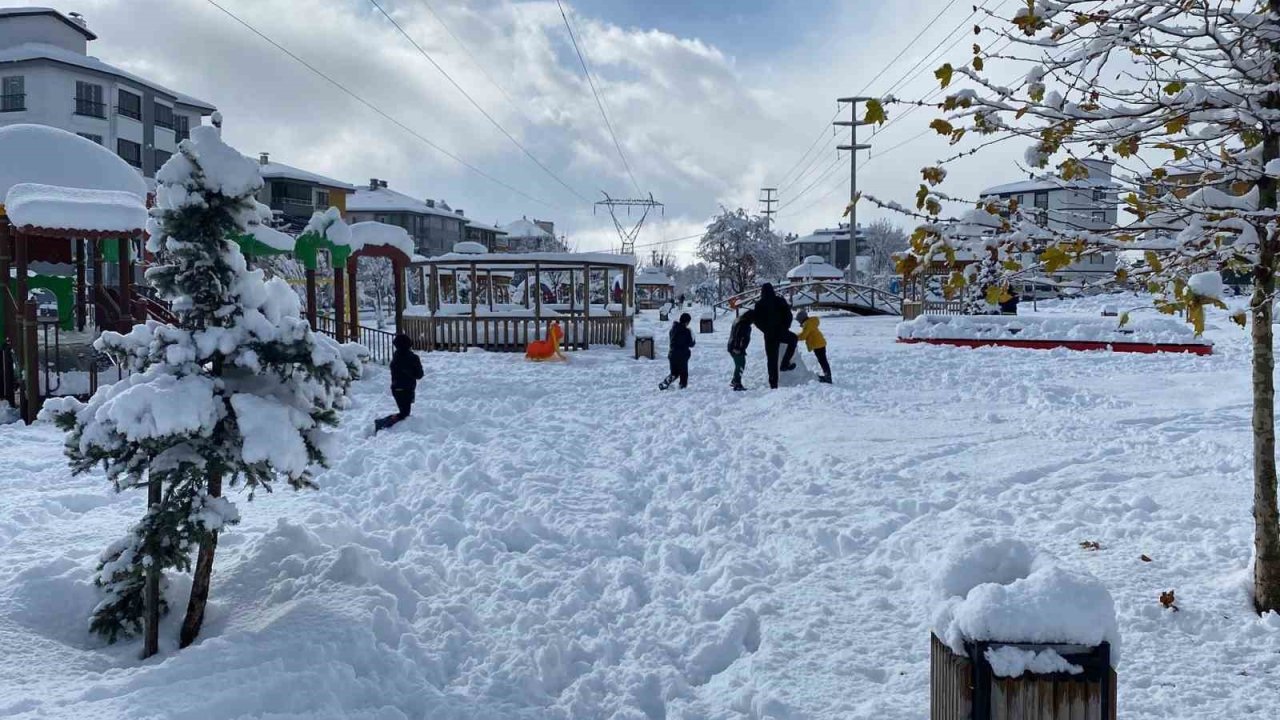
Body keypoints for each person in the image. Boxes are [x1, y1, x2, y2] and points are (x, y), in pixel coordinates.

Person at [751, 283, 798, 389]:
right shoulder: (780, 301)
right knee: (793, 339)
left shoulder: (759, 304)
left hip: (769, 335)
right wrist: (785, 327)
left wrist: (766, 330)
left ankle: (773, 384)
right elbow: (788, 315)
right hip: (781, 332)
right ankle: (785, 363)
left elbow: (757, 320)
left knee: (771, 359)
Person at [375, 334, 423, 432]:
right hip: (408, 388)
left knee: (404, 412)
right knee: (404, 413)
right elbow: (419, 375)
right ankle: (381, 424)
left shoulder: (395, 357)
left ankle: (383, 423)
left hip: (396, 388)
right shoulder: (413, 358)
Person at [659, 312, 695, 390]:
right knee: (683, 373)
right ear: (687, 321)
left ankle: (666, 382)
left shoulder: (673, 329)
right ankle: (682, 387)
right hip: (682, 355)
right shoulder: (686, 331)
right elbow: (691, 344)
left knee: (674, 373)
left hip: (672, 354)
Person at [795, 310, 832, 384]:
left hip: (818, 344)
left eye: (799, 320)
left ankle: (828, 378)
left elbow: (803, 336)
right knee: (822, 361)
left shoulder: (807, 324)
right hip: (819, 343)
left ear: (801, 319)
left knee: (823, 361)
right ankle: (827, 376)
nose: (799, 322)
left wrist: (793, 337)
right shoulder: (810, 322)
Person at [727, 309, 754, 391]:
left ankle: (735, 380)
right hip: (737, 348)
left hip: (732, 346)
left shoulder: (739, 320)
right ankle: (737, 382)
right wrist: (737, 348)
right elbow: (738, 336)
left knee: (739, 364)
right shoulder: (744, 324)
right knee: (740, 364)